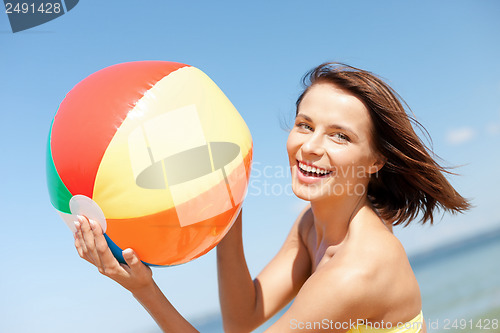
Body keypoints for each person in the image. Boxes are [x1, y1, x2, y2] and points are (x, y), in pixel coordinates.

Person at [73, 62, 470, 333]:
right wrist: (226, 207)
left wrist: (144, 288)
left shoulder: (357, 271)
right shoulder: (311, 225)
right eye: (305, 125)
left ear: (375, 161)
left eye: (340, 135)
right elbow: (242, 319)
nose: (310, 146)